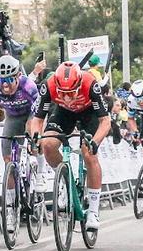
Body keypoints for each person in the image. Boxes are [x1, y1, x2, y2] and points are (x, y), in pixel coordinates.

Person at [29, 61, 111, 232]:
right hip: (63, 113)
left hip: (89, 114)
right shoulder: (48, 85)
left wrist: (95, 142)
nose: (67, 97)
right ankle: (66, 181)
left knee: (88, 152)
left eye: (72, 92)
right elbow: (37, 120)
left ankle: (93, 211)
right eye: (63, 93)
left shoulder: (90, 84)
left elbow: (105, 121)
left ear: (79, 84)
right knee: (48, 144)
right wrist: (35, 137)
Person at [0, 55, 39, 147]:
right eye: (1, 80)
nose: (5, 84)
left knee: (34, 140)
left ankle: (40, 159)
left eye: (9, 79)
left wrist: (33, 139)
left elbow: (38, 115)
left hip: (31, 113)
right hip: (13, 116)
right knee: (7, 155)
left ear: (18, 76)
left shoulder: (28, 86)